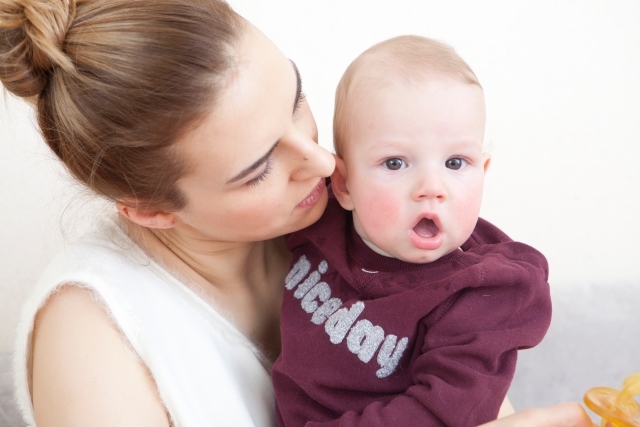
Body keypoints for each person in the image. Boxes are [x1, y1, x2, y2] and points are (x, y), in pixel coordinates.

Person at [0, 0, 594, 426]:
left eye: (297, 98)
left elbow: (464, 380)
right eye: (259, 167)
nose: (320, 161)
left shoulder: (354, 222)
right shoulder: (91, 341)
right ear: (152, 211)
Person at [272, 36, 552, 427]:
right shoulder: (321, 220)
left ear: (483, 171)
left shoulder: (484, 293)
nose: (432, 187)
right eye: (395, 163)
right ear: (345, 184)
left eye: (456, 162)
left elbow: (442, 414)